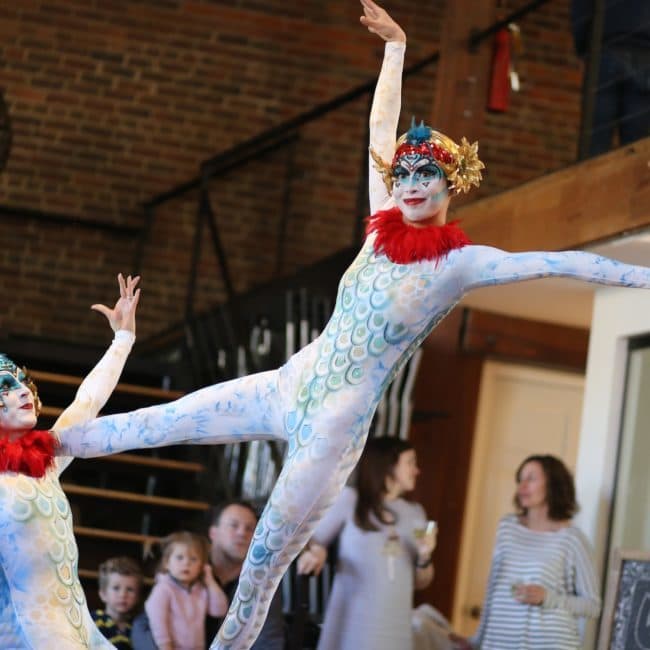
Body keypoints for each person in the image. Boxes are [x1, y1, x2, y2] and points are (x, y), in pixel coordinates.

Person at [56, 2, 650, 648]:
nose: (413, 183)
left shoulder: (459, 263)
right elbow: (379, 125)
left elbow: (552, 261)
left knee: (261, 567)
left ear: (453, 185)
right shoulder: (379, 228)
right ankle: (35, 456)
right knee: (155, 422)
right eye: (405, 173)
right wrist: (395, 50)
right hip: (290, 382)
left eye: (429, 174)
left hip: (333, 427)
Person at [0, 272, 140, 649]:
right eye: (6, 388)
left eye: (20, 383)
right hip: (27, 634)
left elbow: (87, 403)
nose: (22, 392)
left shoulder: (43, 462)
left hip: (77, 624)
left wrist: (122, 339)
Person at [296, 436, 436, 650]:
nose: (417, 470)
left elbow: (421, 582)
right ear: (388, 464)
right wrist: (317, 551)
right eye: (410, 462)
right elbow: (310, 541)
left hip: (396, 628)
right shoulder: (350, 500)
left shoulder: (416, 513)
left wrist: (424, 558)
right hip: (353, 624)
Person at [451, 455, 600, 650]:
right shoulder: (507, 527)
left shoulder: (572, 539)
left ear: (553, 484)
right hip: (499, 643)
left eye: (531, 479)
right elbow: (493, 588)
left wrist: (548, 598)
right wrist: (477, 639)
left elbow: (593, 606)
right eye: (520, 480)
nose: (522, 487)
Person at [571, 0, 650, 156]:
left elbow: (581, 7)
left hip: (605, 45)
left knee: (594, 146)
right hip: (644, 51)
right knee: (636, 150)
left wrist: (583, 46)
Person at [206, 500, 286, 649]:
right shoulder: (187, 569)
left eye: (250, 528)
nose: (242, 533)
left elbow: (268, 641)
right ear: (213, 533)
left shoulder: (263, 580)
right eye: (234, 525)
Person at [143, 531, 228, 650]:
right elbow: (158, 623)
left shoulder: (201, 589)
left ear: (201, 566)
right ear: (167, 563)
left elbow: (219, 610)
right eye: (179, 558)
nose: (186, 563)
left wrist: (210, 581)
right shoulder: (163, 589)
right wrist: (166, 646)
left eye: (193, 559)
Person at [93, 556, 144, 649]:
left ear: (137, 597)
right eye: (116, 588)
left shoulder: (137, 626)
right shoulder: (95, 620)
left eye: (130, 590)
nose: (123, 595)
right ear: (103, 594)